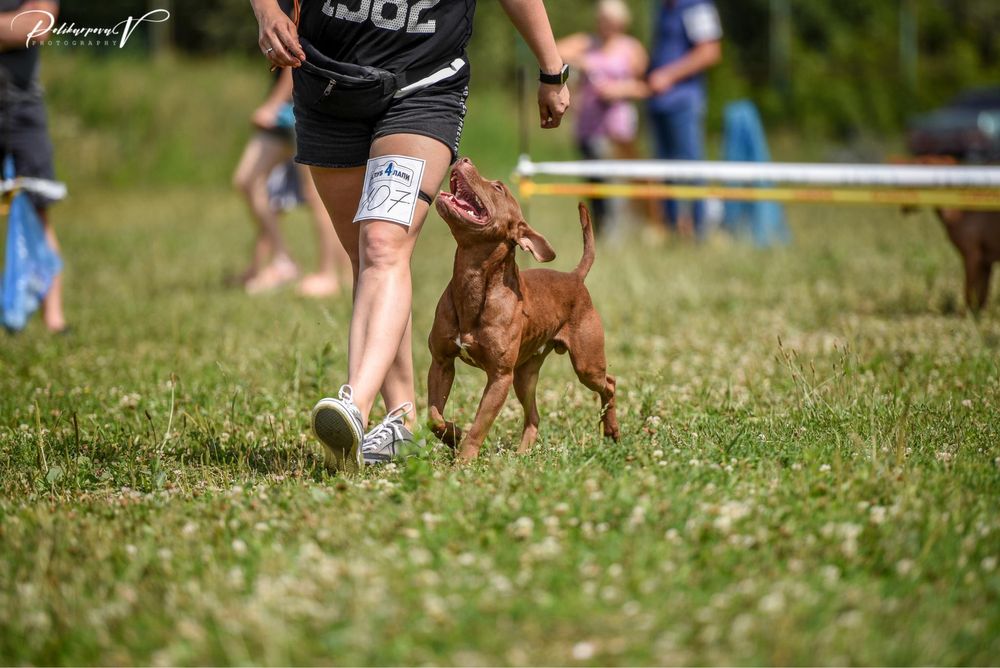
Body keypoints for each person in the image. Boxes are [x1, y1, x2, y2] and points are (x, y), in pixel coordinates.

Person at [250, 0, 570, 470]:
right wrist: (265, 12)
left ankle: (354, 407)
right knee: (366, 258)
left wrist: (550, 68)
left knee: (383, 245)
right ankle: (401, 422)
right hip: (326, 83)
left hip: (422, 86)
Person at [233, 7, 351, 297]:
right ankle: (282, 260)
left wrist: (273, 105)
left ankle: (330, 274)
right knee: (247, 180)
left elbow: (297, 54)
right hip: (285, 110)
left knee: (318, 193)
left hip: (301, 104)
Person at [557, 0, 647, 238]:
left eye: (609, 21)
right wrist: (582, 62)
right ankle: (600, 230)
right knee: (594, 183)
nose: (604, 25)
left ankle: (617, 232)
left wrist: (618, 90)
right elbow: (554, 50)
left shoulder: (631, 48)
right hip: (589, 124)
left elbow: (644, 86)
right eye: (601, 20)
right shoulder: (588, 43)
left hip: (617, 126)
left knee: (616, 182)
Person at [1, 0, 64, 332]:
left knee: (40, 205)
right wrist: (11, 28)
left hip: (23, 104)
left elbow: (38, 24)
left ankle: (54, 318)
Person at [647, 0, 722, 239]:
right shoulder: (661, 7)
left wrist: (668, 75)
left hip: (684, 102)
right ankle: (672, 230)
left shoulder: (697, 6)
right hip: (658, 102)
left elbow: (710, 52)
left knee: (692, 169)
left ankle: (700, 231)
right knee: (664, 171)